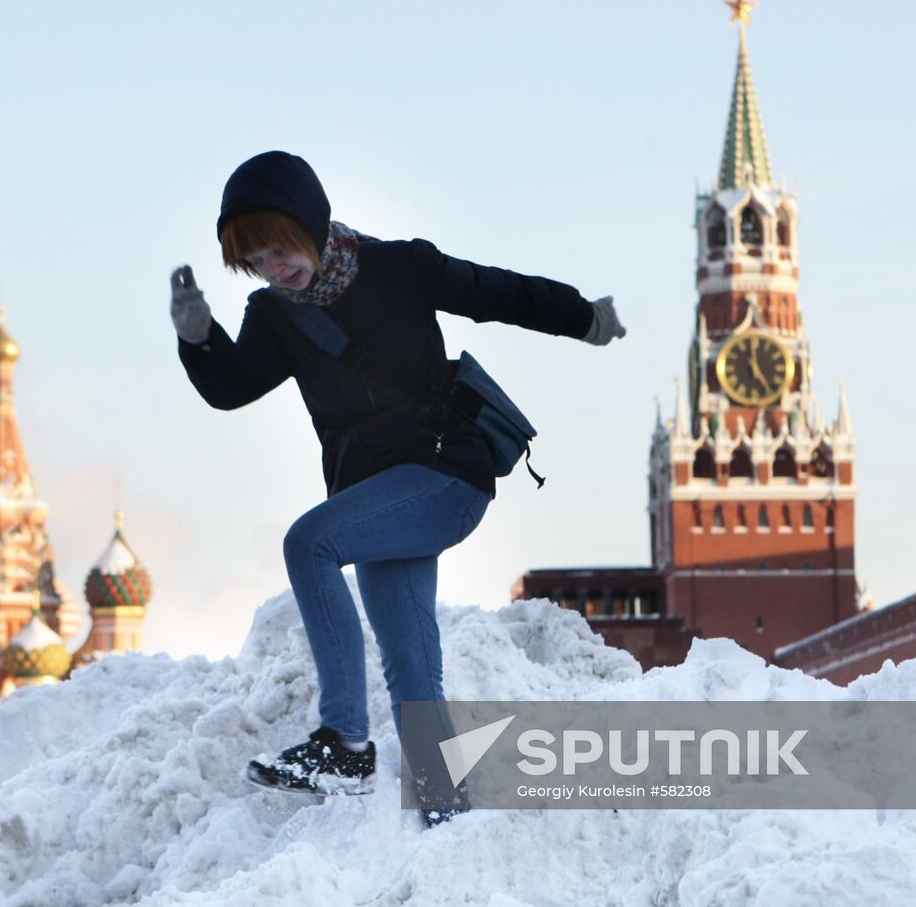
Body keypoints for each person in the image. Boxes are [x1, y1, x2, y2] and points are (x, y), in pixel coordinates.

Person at [171, 151, 625, 827]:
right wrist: (199, 339)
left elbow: (499, 293)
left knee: (309, 543)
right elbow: (233, 388)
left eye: (279, 250)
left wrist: (583, 316)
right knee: (409, 660)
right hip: (375, 498)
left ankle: (344, 742)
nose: (272, 269)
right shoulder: (274, 314)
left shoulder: (401, 267)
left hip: (445, 473)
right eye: (254, 261)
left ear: (310, 224)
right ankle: (446, 812)